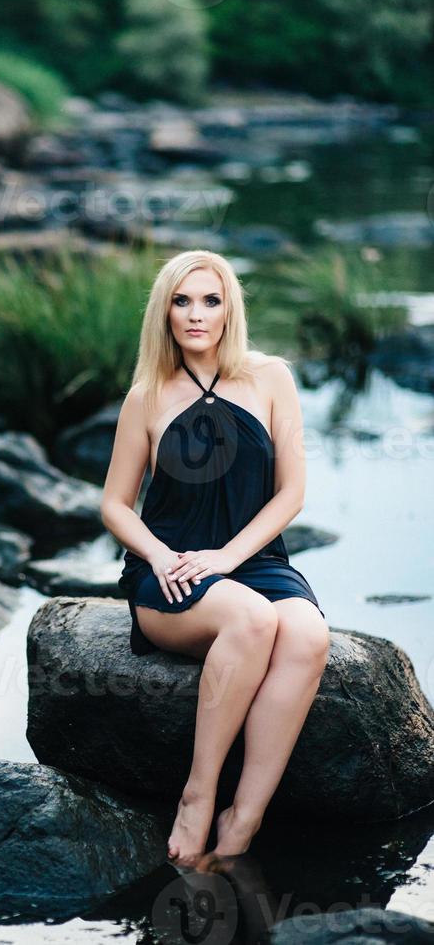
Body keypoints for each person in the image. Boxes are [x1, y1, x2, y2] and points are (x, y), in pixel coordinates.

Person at [100, 249, 330, 867]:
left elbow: (293, 493)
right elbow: (117, 506)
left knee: (307, 635)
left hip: (251, 558)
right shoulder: (145, 397)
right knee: (253, 622)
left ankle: (246, 816)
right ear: (164, 312)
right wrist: (159, 556)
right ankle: (199, 795)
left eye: (211, 300)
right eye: (182, 301)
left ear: (230, 308)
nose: (196, 314)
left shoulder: (271, 377)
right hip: (171, 570)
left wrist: (228, 556)